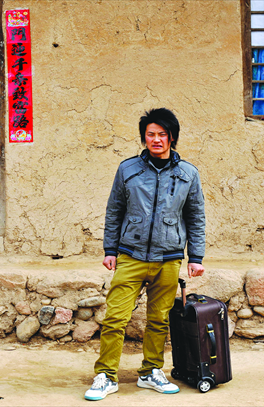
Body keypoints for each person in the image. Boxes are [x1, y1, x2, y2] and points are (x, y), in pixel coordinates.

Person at [84, 108, 206, 401]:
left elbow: (195, 216)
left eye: (162, 134)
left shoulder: (188, 173)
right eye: (151, 134)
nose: (156, 139)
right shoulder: (128, 169)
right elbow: (115, 211)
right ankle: (106, 375)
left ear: (172, 137)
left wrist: (196, 257)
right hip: (131, 255)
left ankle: (151, 371)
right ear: (144, 138)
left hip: (169, 257)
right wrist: (109, 249)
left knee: (159, 320)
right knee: (115, 317)